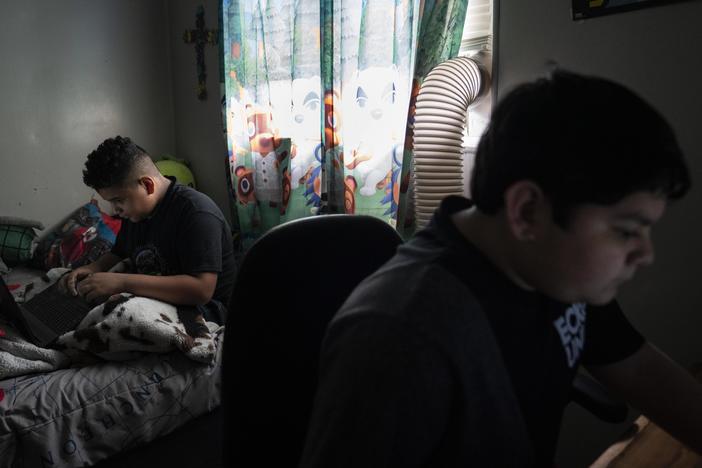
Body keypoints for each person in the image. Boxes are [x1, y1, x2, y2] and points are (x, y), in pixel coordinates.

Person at [299, 70, 702, 467]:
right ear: (527, 211)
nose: (645, 253)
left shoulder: (555, 269)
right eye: (626, 230)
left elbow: (638, 368)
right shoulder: (400, 335)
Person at [58, 136, 236, 324]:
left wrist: (122, 282)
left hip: (208, 311)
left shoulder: (197, 213)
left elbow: (202, 290)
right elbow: (119, 253)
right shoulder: (136, 212)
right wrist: (93, 268)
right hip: (157, 295)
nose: (115, 210)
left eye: (118, 200)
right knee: (61, 279)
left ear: (147, 185)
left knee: (124, 316)